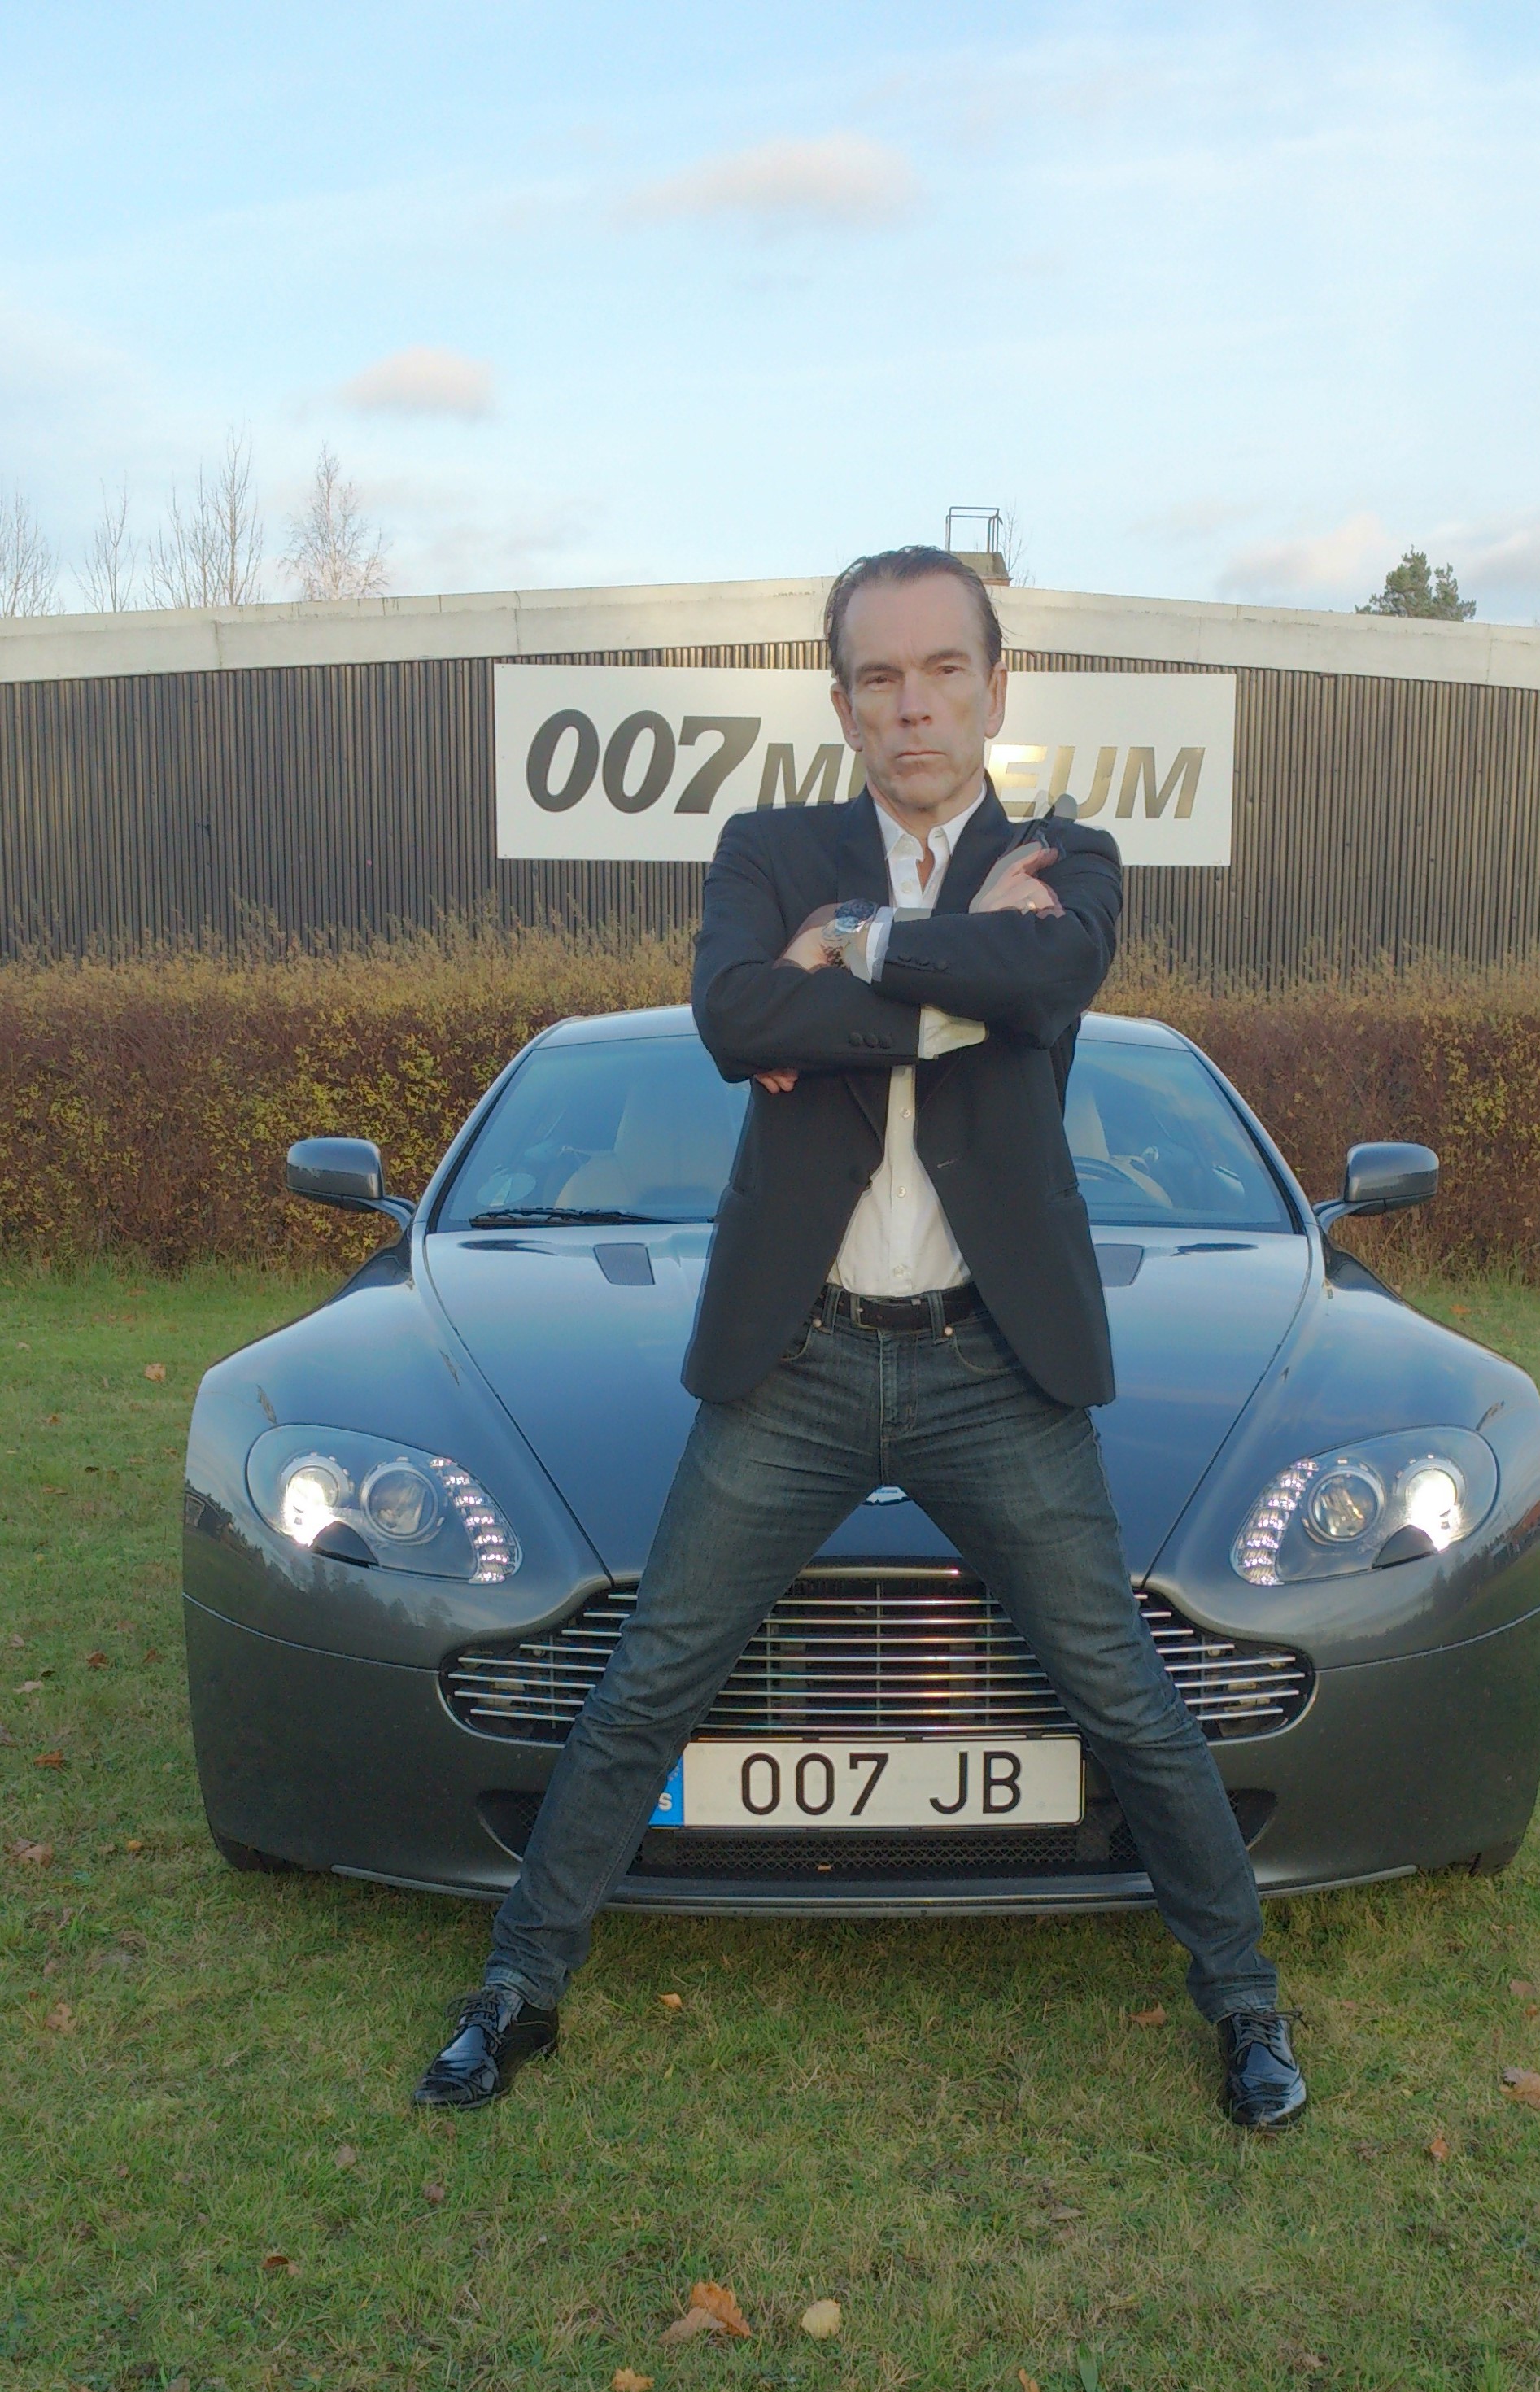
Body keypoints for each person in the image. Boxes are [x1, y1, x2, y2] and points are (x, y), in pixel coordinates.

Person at [415, 544, 1306, 2132]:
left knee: (1120, 1690)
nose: (913, 706)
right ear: (841, 703)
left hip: (993, 1366)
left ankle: (1243, 2002)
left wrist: (853, 949)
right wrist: (955, 979)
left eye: (943, 670)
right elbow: (734, 1020)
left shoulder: (1064, 856)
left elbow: (1050, 974)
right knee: (652, 1680)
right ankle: (518, 1989)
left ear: (996, 688)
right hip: (799, 1359)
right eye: (879, 677)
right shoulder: (769, 848)